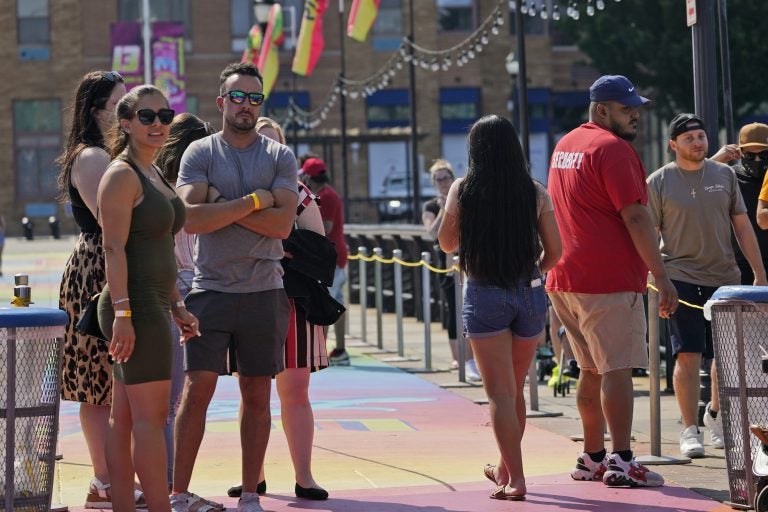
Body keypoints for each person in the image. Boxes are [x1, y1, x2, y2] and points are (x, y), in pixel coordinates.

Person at [172, 62, 297, 512]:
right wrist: (256, 201)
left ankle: (250, 494)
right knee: (197, 390)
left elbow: (283, 227)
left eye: (255, 98)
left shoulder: (280, 156)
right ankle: (178, 492)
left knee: (257, 394)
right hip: (211, 290)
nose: (246, 105)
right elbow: (190, 217)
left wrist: (221, 206)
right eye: (238, 96)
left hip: (265, 291)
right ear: (221, 101)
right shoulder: (200, 153)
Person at [546, 74, 678, 488]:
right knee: (618, 370)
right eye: (626, 108)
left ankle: (592, 456)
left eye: (636, 106)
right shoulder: (614, 150)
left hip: (565, 277)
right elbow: (636, 216)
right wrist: (662, 274)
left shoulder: (566, 145)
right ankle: (621, 460)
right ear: (601, 109)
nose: (635, 114)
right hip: (607, 280)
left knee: (589, 369)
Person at [438, 114, 561, 501]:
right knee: (516, 388)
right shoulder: (534, 191)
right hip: (528, 291)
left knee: (500, 395)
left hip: (484, 291)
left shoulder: (464, 189)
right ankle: (505, 468)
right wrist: (532, 274)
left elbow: (445, 243)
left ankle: (516, 480)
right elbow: (556, 252)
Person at [96, 84, 200, 511]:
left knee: (125, 420)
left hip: (155, 304)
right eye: (146, 116)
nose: (158, 123)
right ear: (125, 123)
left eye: (164, 114)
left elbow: (159, 249)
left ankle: (125, 505)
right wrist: (124, 314)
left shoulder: (153, 172)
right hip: (134, 307)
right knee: (150, 421)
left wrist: (177, 304)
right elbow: (112, 248)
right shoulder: (122, 174)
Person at [648, 113, 766, 458]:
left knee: (726, 357)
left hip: (725, 278)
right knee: (687, 352)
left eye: (701, 136)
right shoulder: (659, 181)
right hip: (680, 276)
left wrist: (758, 274)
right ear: (673, 145)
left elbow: (744, 227)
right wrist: (657, 277)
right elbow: (650, 233)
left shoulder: (724, 175)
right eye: (689, 138)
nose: (698, 143)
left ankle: (715, 414)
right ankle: (689, 429)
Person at [226, 117, 330, 501]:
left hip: (292, 301)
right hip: (244, 294)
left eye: (274, 145)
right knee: (250, 391)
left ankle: (304, 476)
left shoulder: (299, 192)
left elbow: (321, 248)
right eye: (259, 143)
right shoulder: (233, 188)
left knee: (295, 390)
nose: (267, 151)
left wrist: (282, 243)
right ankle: (255, 475)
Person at [55, 70, 135, 509]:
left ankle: (111, 479)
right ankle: (105, 481)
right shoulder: (92, 158)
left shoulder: (107, 155)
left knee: (114, 381)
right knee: (96, 382)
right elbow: (113, 223)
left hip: (109, 266)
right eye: (119, 106)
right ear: (96, 110)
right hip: (96, 272)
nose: (127, 115)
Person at [155, 113, 215, 489]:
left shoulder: (159, 185)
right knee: (173, 398)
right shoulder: (182, 190)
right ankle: (168, 485)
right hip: (180, 291)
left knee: (169, 398)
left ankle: (163, 482)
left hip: (176, 289)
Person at [422, 159, 480, 381]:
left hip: (464, 256)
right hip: (443, 260)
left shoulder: (461, 199)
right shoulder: (430, 206)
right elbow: (431, 233)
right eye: (438, 179)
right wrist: (442, 209)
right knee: (452, 307)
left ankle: (471, 357)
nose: (442, 182)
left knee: (469, 306)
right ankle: (458, 357)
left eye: (445, 178)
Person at [300, 157, 349, 366]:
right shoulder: (325, 193)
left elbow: (326, 227)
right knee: (335, 301)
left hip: (331, 257)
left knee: (326, 302)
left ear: (310, 176)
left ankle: (322, 348)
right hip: (332, 255)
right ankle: (338, 348)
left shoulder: (326, 196)